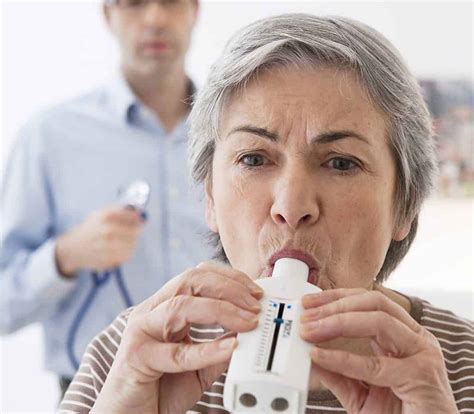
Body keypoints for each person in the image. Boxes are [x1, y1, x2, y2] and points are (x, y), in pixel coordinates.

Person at [59, 14, 474, 414]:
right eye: (254, 159)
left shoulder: (459, 371)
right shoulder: (134, 359)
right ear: (210, 197)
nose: (291, 208)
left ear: (405, 205)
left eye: (341, 163)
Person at [0, 0, 210, 398]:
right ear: (108, 15)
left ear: (194, 10)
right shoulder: (49, 137)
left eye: (170, 2)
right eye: (133, 4)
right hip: (96, 393)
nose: (155, 19)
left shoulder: (235, 131)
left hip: (222, 390)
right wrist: (64, 257)